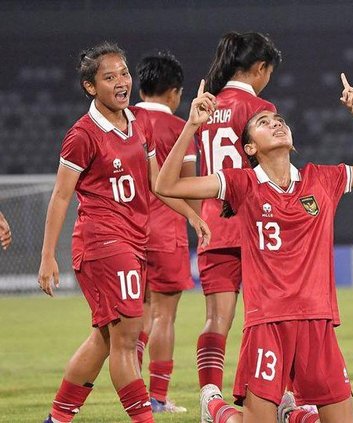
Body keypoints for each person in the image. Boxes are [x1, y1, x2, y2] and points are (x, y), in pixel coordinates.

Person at [156, 74, 353, 423]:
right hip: (268, 323)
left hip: (318, 322)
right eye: (265, 123)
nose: (276, 125)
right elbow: (167, 184)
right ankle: (216, 408)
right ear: (250, 148)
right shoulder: (241, 183)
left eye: (280, 121)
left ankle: (290, 414)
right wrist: (191, 127)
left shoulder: (322, 179)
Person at [38, 42, 208, 423]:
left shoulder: (138, 123)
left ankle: (57, 418)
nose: (121, 82)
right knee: (127, 340)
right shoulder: (82, 134)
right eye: (109, 76)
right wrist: (49, 255)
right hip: (103, 243)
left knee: (105, 338)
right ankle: (144, 418)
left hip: (134, 242)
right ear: (90, 87)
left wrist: (192, 217)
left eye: (124, 73)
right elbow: (62, 195)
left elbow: (157, 184)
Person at [195, 31, 281, 393]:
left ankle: (208, 396)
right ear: (260, 68)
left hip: (213, 225)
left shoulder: (207, 106)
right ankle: (258, 394)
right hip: (254, 224)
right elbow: (272, 171)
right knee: (266, 318)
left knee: (216, 319)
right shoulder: (260, 111)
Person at [134, 52, 198, 413]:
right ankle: (156, 397)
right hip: (167, 231)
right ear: (174, 92)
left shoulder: (125, 119)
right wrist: (199, 222)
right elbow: (190, 185)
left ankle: (134, 392)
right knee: (164, 316)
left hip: (127, 231)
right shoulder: (179, 129)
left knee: (137, 313)